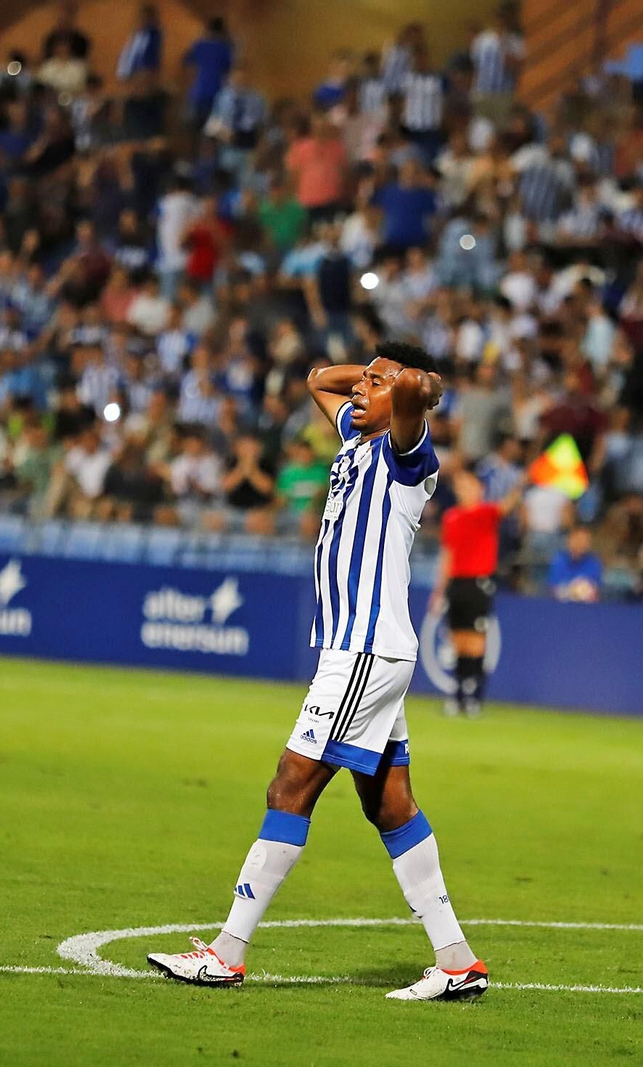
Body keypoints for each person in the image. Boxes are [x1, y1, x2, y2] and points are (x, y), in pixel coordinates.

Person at [147, 342, 490, 1002]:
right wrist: (374, 377)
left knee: (290, 783)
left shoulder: (403, 453)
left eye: (375, 384)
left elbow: (416, 394)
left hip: (362, 649)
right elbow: (315, 379)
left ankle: (226, 952)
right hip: (364, 649)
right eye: (361, 380)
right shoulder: (357, 438)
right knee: (388, 803)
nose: (359, 390)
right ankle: (457, 961)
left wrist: (408, 385)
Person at [431, 470, 515, 717]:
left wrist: (522, 483)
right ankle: (457, 698)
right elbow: (447, 555)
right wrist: (439, 591)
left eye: (466, 484)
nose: (461, 489)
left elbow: (507, 505)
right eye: (459, 485)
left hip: (478, 583)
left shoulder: (487, 513)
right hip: (456, 583)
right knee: (457, 641)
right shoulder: (451, 517)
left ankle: (474, 698)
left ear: (479, 488)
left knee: (476, 642)